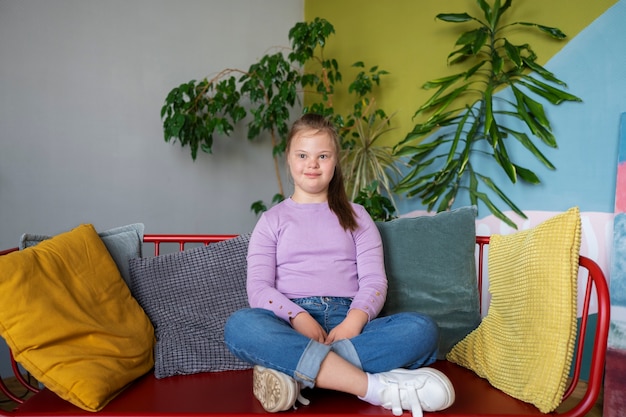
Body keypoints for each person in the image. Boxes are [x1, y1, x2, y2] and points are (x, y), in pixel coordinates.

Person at [224, 113, 454, 417]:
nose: (312, 164)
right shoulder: (271, 221)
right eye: (303, 155)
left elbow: (374, 282)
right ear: (289, 159)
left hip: (351, 324)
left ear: (335, 161)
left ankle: (297, 373)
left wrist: (353, 322)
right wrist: (297, 317)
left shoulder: (358, 216)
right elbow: (259, 288)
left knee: (422, 330)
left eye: (323, 156)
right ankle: (373, 387)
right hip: (291, 325)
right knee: (239, 325)